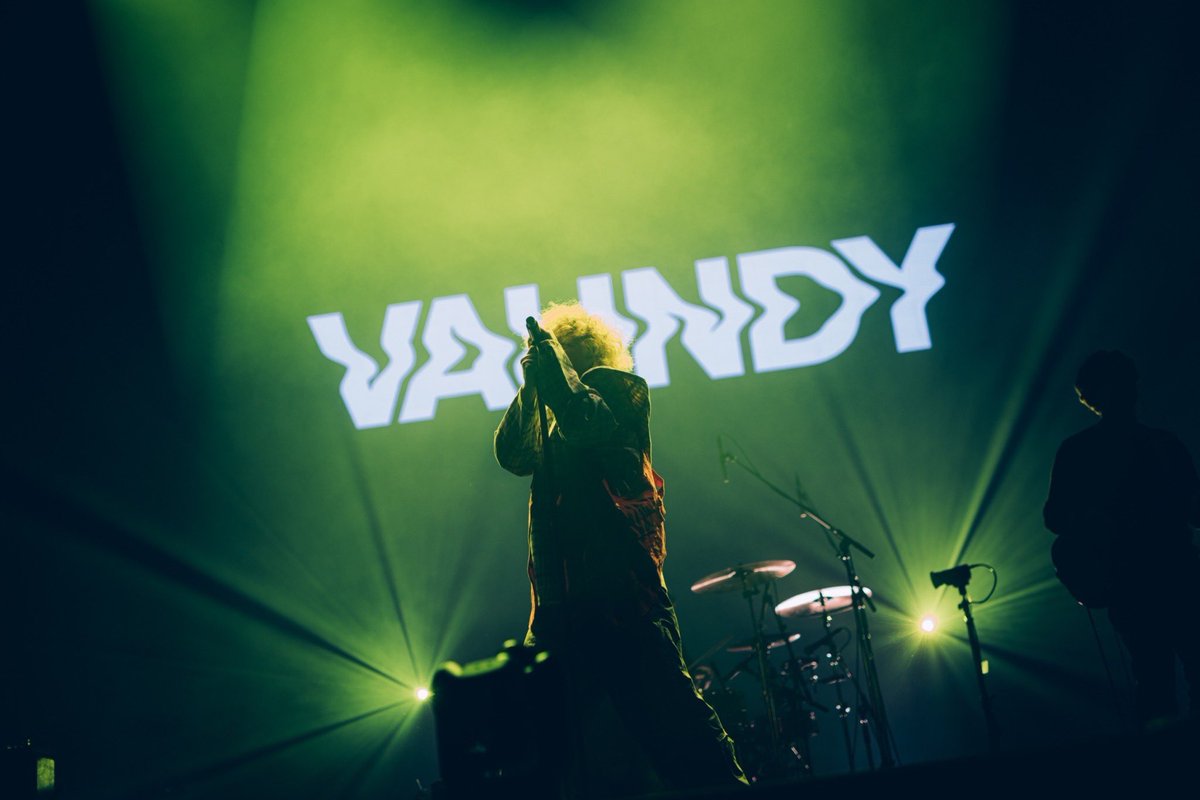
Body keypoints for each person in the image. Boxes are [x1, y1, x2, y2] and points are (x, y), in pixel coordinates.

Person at [494, 302, 747, 796]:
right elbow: (513, 455)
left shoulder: (619, 393)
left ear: (587, 354)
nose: (552, 358)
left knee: (682, 735)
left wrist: (557, 371)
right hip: (559, 611)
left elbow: (587, 424)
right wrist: (531, 387)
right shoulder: (551, 415)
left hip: (624, 603)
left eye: (562, 351)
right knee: (539, 751)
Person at [1043, 350, 1200, 729]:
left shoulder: (1077, 450)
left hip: (1133, 582)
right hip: (1170, 575)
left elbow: (1055, 518)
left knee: (1153, 681)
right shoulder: (1163, 444)